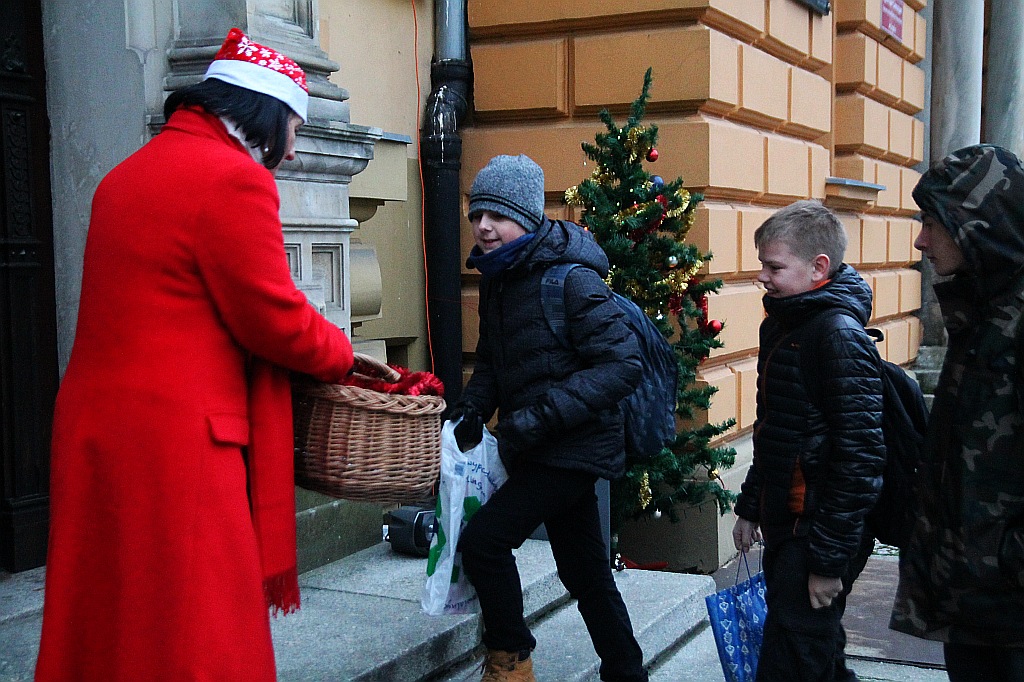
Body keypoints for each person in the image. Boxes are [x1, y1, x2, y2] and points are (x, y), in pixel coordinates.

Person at [35, 29, 354, 681]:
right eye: (293, 128)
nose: (293, 150)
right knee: (196, 632)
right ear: (263, 114)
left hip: (99, 434)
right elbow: (275, 321)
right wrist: (343, 353)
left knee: (113, 623)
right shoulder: (233, 179)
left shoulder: (123, 176)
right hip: (177, 446)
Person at [450, 154, 649, 682]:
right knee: (585, 572)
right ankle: (627, 672)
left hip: (573, 449)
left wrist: (540, 416)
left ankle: (510, 661)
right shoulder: (497, 278)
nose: (483, 226)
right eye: (476, 215)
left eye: (497, 215)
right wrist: (472, 408)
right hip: (536, 446)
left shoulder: (571, 281)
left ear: (528, 217)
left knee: (485, 543)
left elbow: (623, 364)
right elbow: (492, 361)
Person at [731, 200, 886, 682]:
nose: (762, 276)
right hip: (789, 524)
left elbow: (860, 459)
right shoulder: (783, 324)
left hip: (816, 531)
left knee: (794, 656)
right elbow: (775, 428)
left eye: (774, 267)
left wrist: (827, 562)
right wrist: (751, 505)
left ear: (819, 267)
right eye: (762, 264)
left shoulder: (838, 336)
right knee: (812, 650)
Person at [891, 144, 1024, 681]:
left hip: (1010, 612)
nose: (920, 241)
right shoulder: (982, 313)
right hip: (976, 607)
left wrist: (1007, 562)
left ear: (977, 227)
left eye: (931, 222)